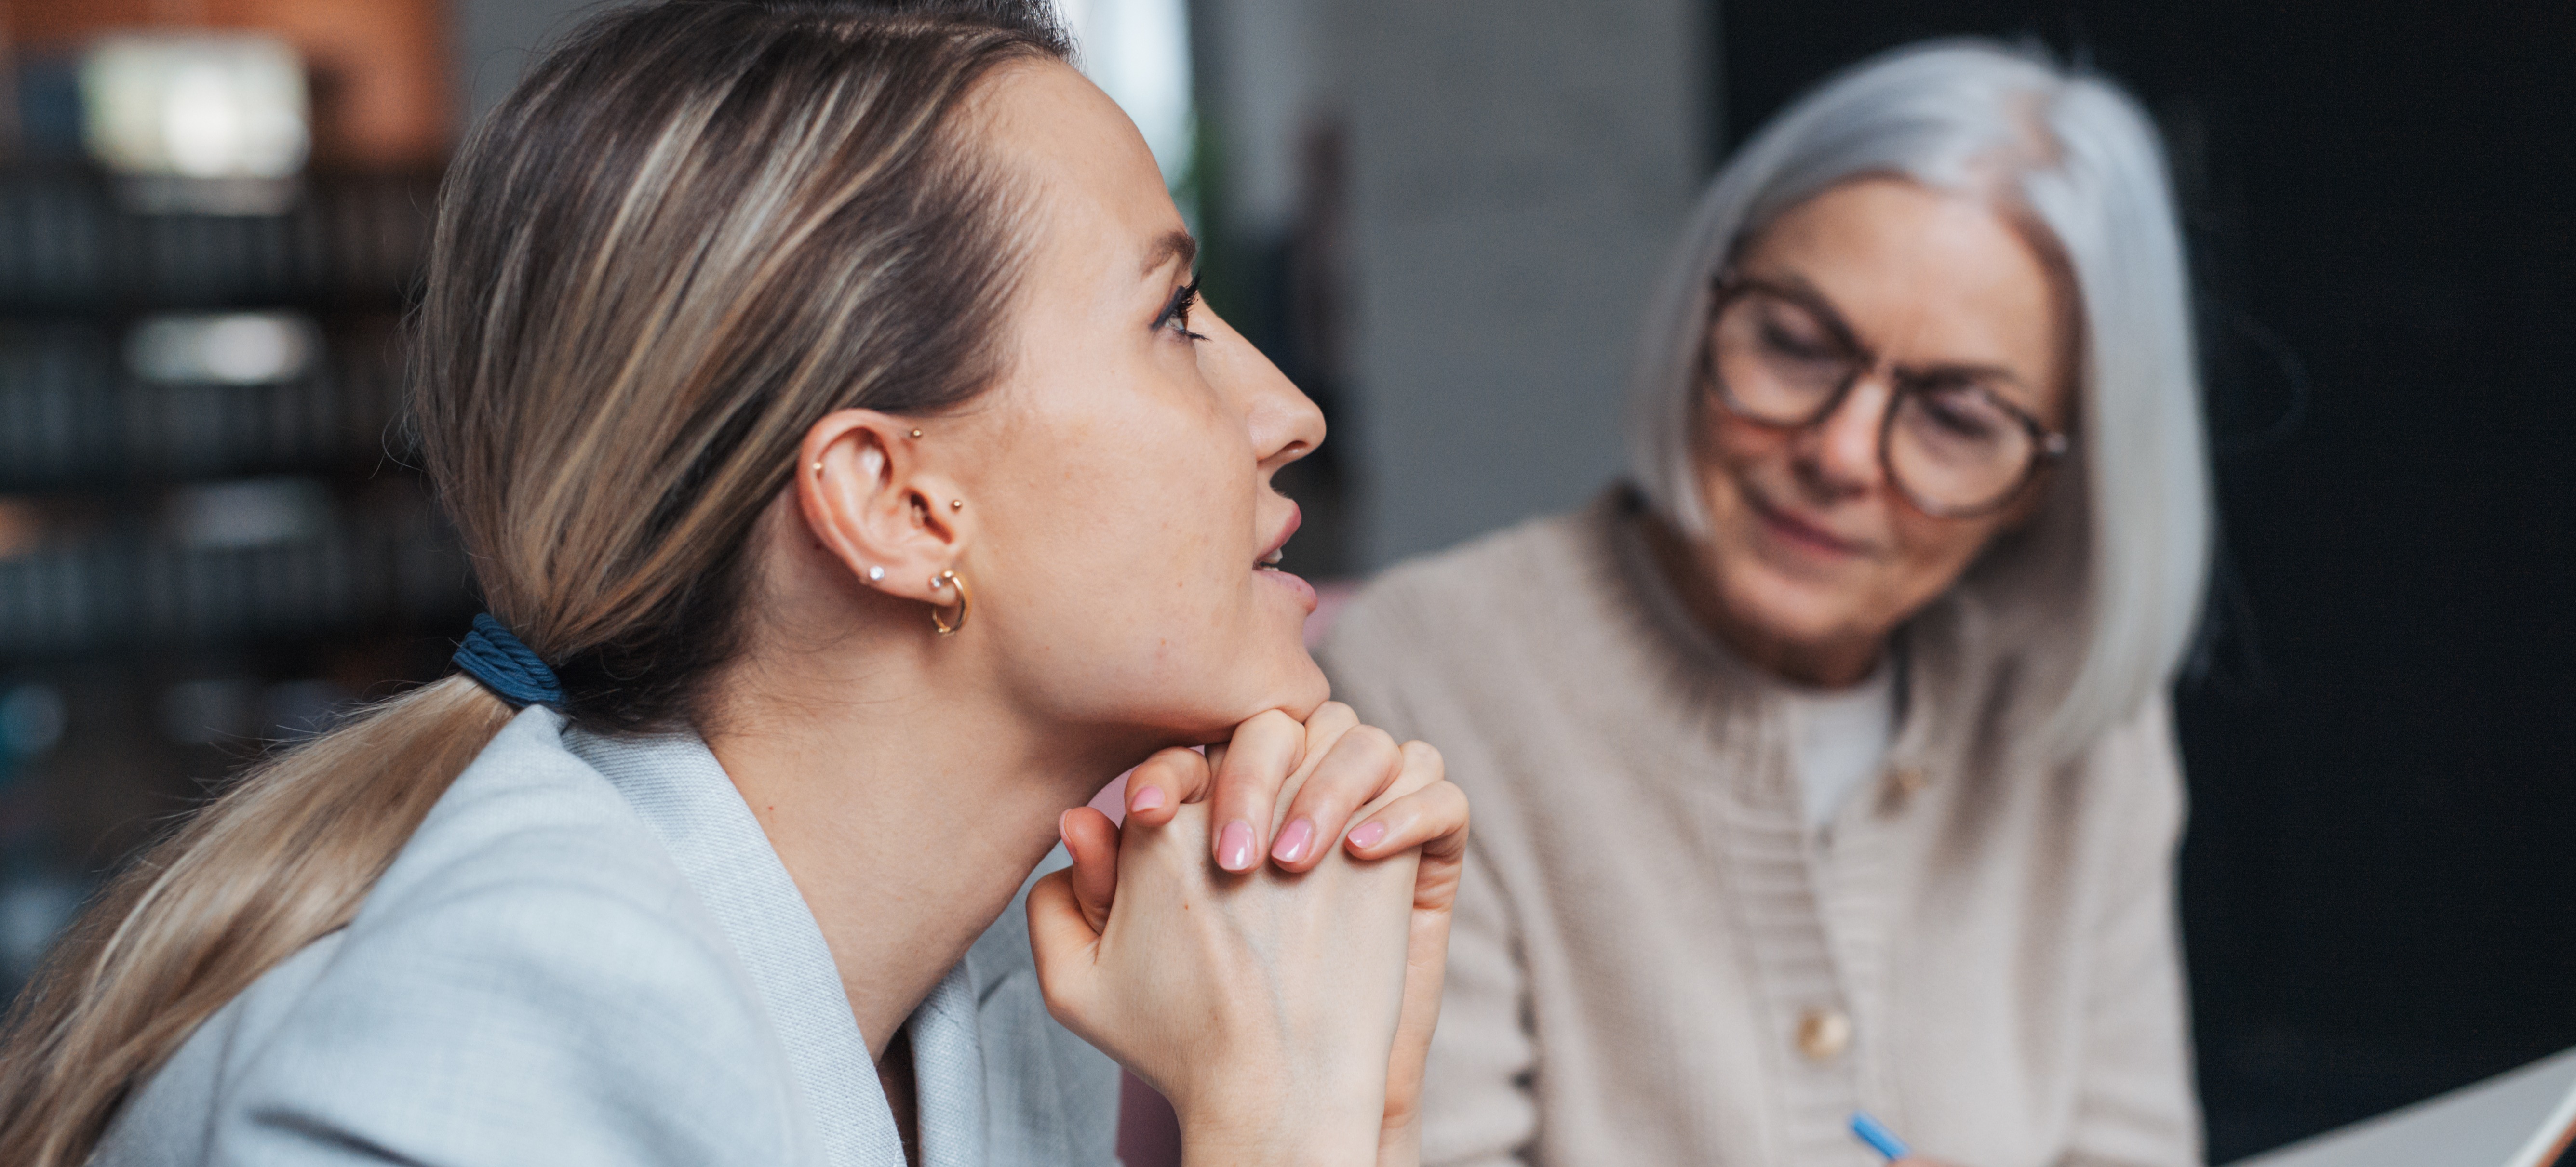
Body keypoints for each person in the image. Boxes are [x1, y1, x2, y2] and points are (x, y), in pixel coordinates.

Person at [0, 3, 1469, 1165]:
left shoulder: (990, 974)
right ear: (894, 502)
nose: (1289, 411)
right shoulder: (509, 1027)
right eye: (1175, 315)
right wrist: (1281, 1129)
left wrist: (1355, 1086)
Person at [1321, 40, 2211, 1167]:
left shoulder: (2080, 724)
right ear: (1702, 306)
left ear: (2052, 478)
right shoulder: (1425, 677)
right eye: (1794, 344)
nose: (1840, 454)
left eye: (1955, 417)